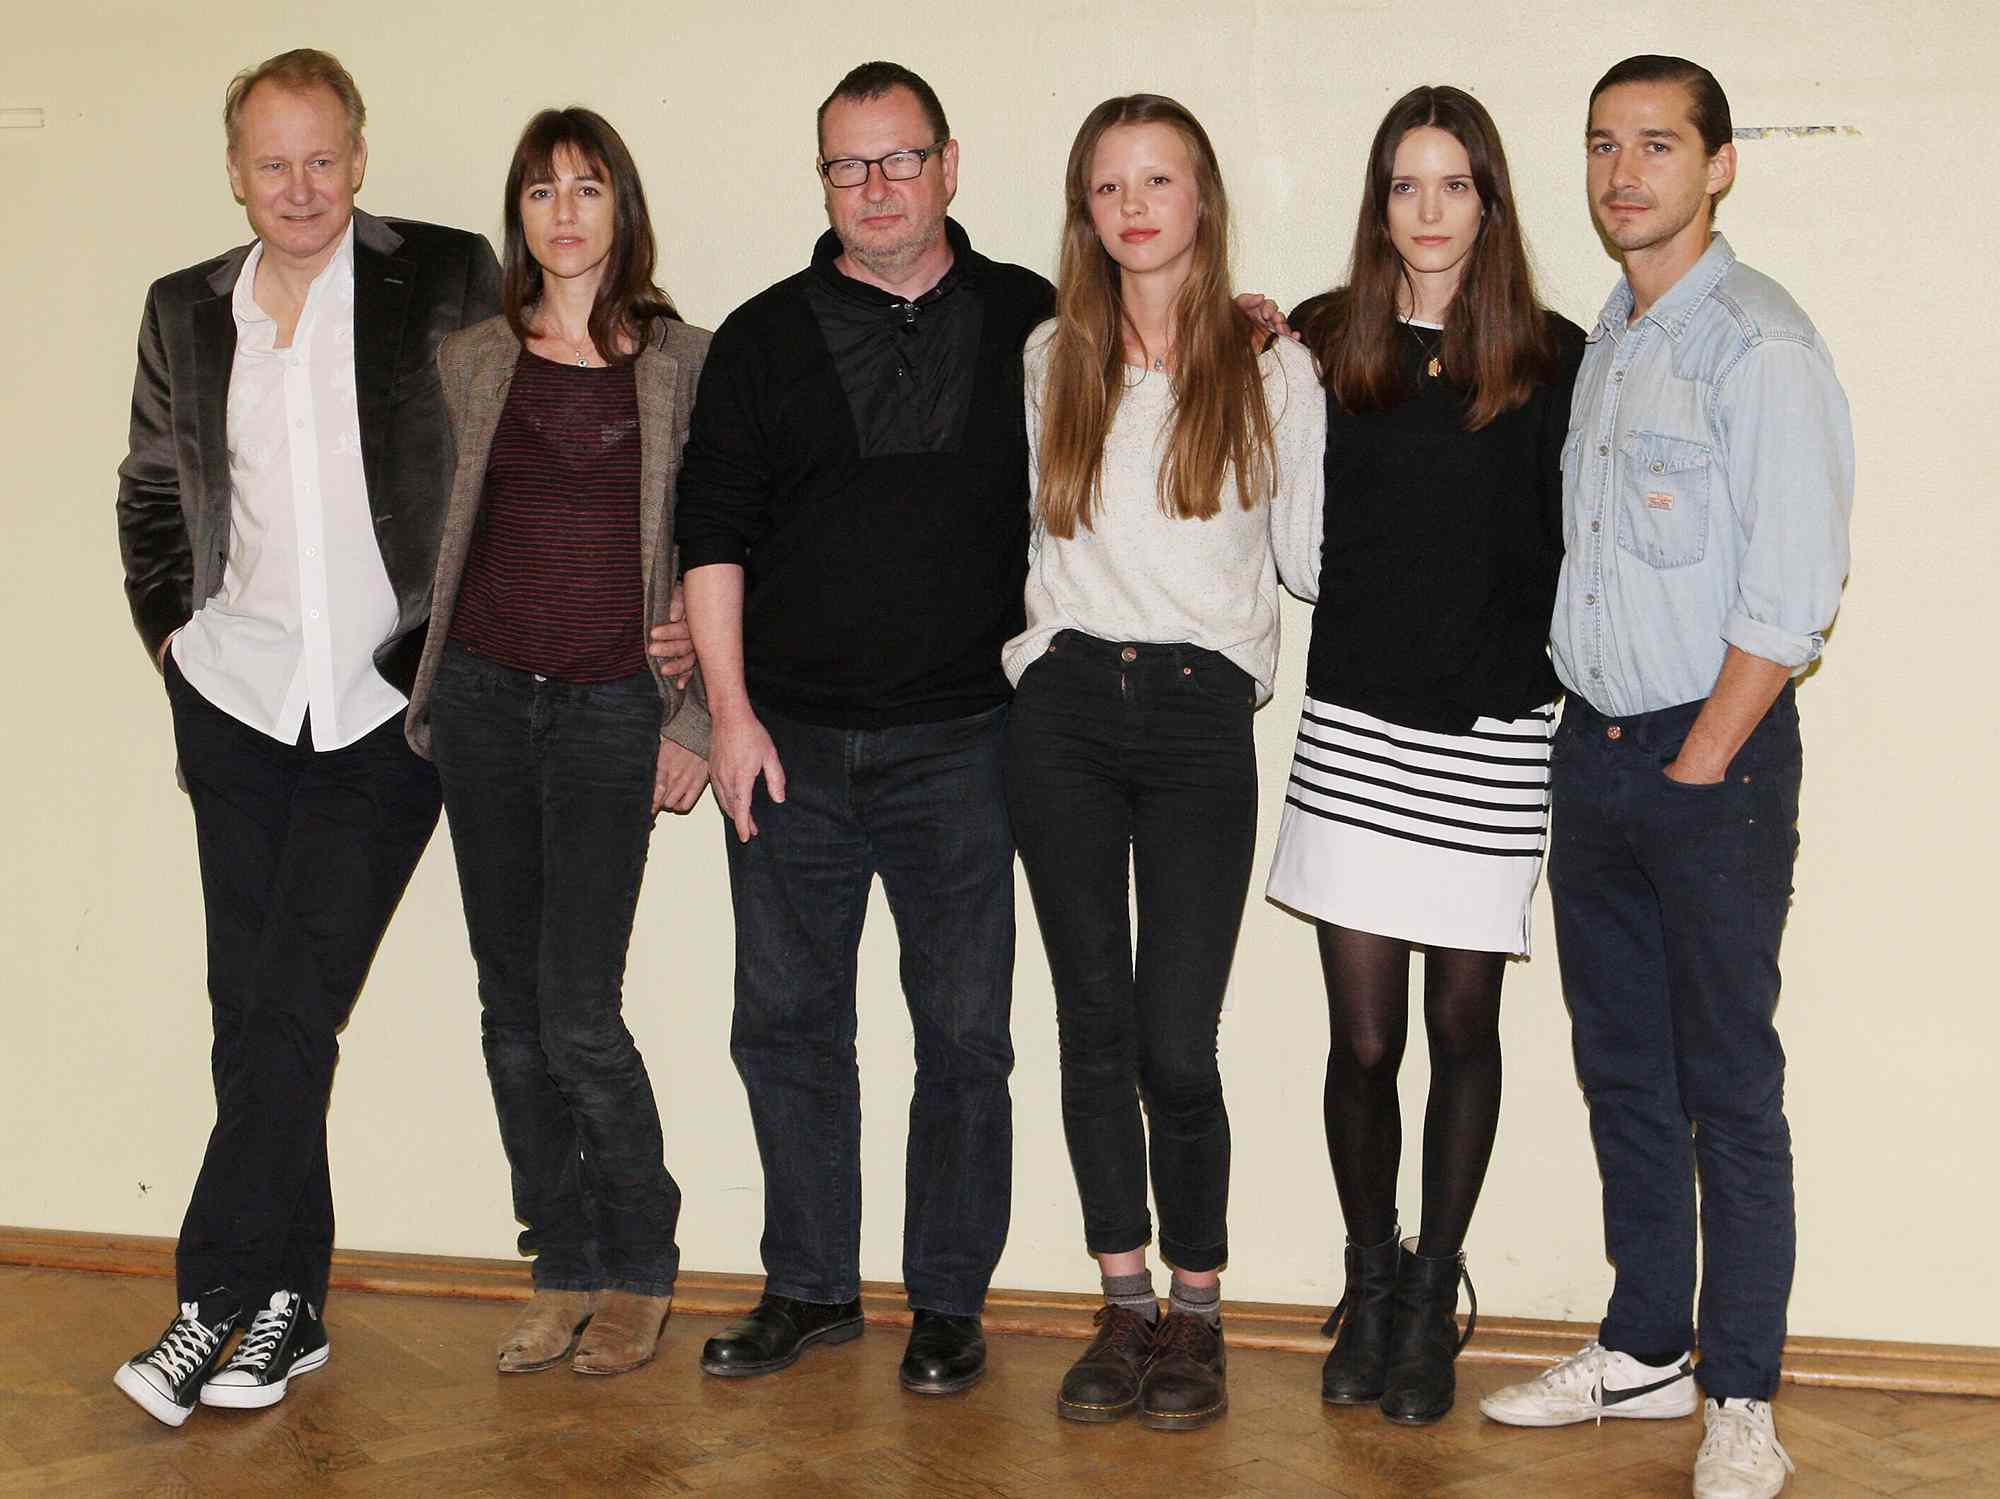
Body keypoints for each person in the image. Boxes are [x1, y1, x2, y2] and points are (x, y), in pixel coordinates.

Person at [1477, 57, 1852, 1499]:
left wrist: (1700, 760)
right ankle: (1645, 1347)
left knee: (1728, 1085)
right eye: (1600, 146)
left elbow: (1793, 588)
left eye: (1656, 145)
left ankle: (1743, 1388)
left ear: (1721, 164)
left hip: (1712, 758)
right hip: (1599, 748)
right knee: (1623, 1067)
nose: (1623, 171)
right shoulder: (1615, 341)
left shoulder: (1756, 346)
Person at [112, 49, 499, 1426]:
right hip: (234, 701)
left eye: (322, 157)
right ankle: (293, 1302)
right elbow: (153, 488)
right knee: (256, 1016)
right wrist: (172, 637)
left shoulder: (446, 278)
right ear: (236, 172)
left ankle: (210, 1297)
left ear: (359, 155)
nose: (300, 186)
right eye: (273, 162)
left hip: (387, 709)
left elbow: (561, 394)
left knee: (288, 1005)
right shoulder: (184, 309)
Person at [672, 61, 1054, 1396]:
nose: (877, 187)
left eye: (900, 160)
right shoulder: (763, 338)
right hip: (789, 745)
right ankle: (812, 1285)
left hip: (968, 741)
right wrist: (724, 716)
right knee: (784, 1023)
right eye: (850, 166)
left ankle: (949, 1300)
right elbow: (709, 534)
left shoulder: (1033, 317)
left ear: (949, 164)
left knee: (964, 1034)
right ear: (823, 179)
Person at [1263, 85, 1584, 1426]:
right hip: (1359, 729)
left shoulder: (1557, 356)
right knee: (1363, 1036)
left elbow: (1571, 547)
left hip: (1494, 737)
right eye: (1407, 184)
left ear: (1490, 202)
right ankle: (1372, 1274)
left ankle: (1437, 1288)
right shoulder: (1327, 339)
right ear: (1380, 203)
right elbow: (1293, 543)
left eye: (1455, 184)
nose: (1431, 209)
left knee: (1463, 1024)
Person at [1005, 94, 1323, 1432]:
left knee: (1175, 1038)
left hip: (1200, 719)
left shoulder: (1273, 369)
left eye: (1160, 179)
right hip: (1066, 709)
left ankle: (1198, 1305)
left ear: (1201, 199)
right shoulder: (1045, 358)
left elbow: (1305, 563)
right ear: (1086, 212)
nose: (1135, 205)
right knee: (1090, 1024)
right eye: (1109, 185)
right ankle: (1123, 1295)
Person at [401, 107, 710, 1379]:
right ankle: (562, 1261)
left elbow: (725, 546)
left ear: (621, 206)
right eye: (540, 190)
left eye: (587, 187)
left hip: (605, 713)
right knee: (508, 1011)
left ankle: (639, 1264)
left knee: (578, 1009)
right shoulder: (471, 356)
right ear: (517, 214)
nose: (564, 211)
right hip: (480, 701)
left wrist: (693, 715)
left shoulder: (684, 360)